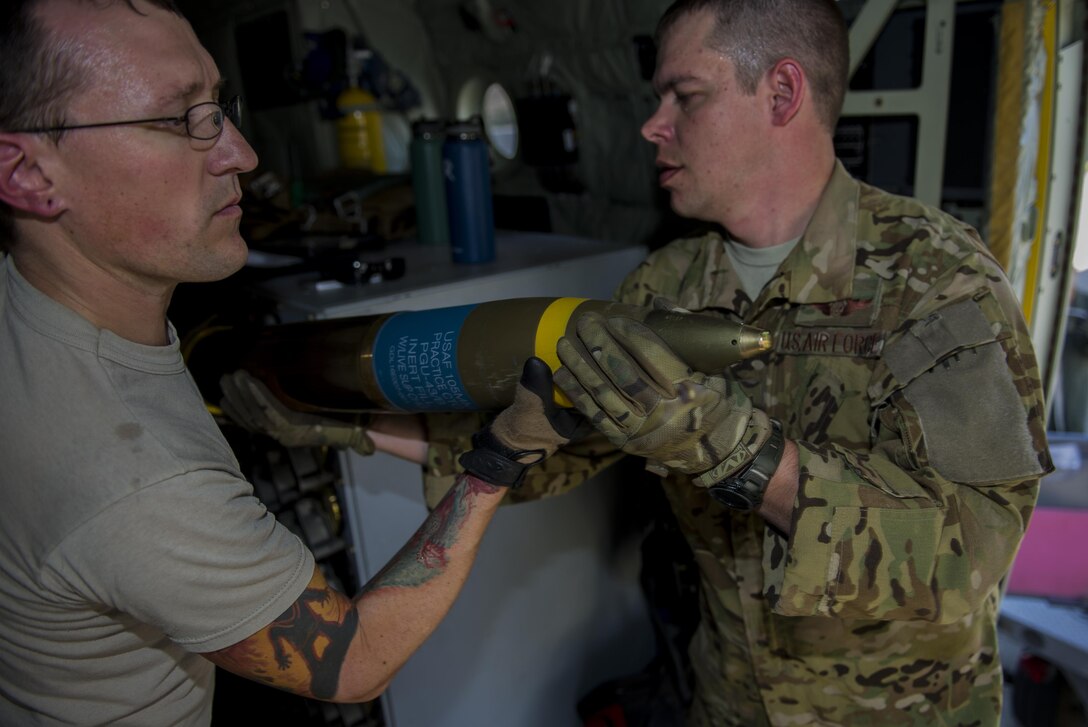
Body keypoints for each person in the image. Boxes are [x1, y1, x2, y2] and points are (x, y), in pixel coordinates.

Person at [415, 0, 1053, 724]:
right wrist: (370, 425)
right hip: (728, 701)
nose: (653, 125)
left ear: (781, 94)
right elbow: (561, 445)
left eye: (684, 96)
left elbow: (970, 555)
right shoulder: (667, 287)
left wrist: (738, 451)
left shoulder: (938, 278)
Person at [0, 0, 582, 724]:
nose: (240, 151)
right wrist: (493, 464)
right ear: (27, 174)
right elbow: (353, 659)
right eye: (178, 117)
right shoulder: (137, 477)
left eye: (219, 104)